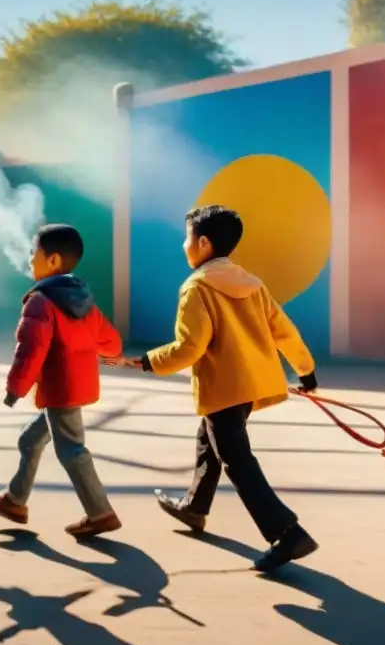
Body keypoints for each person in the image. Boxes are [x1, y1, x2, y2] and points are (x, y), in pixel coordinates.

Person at [106, 205, 319, 572]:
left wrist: (144, 361)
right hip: (250, 385)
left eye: (187, 237)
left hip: (223, 387)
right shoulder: (251, 283)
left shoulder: (196, 288)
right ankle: (194, 506)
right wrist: (306, 369)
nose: (184, 244)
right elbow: (282, 328)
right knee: (210, 440)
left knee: (236, 459)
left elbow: (190, 348)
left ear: (203, 243)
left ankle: (287, 533)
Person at [0, 223, 123, 538]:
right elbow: (111, 342)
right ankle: (15, 501)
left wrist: (15, 388)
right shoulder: (82, 299)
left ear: (54, 261)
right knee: (30, 439)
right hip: (79, 386)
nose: (30, 259)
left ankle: (101, 513)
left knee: (72, 450)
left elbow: (30, 351)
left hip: (61, 390)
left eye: (34, 252)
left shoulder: (40, 302)